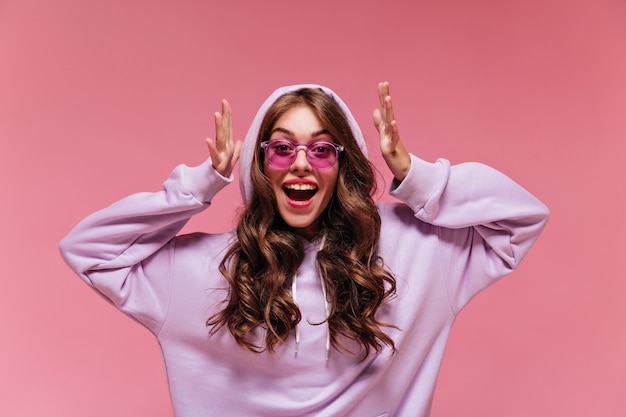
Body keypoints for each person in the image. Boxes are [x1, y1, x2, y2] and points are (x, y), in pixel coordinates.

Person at [59, 82, 549, 417]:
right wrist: (199, 185)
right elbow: (88, 248)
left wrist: (416, 176)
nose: (301, 165)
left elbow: (521, 217)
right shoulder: (202, 269)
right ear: (261, 164)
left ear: (342, 164)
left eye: (321, 150)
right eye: (281, 148)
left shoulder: (417, 251)